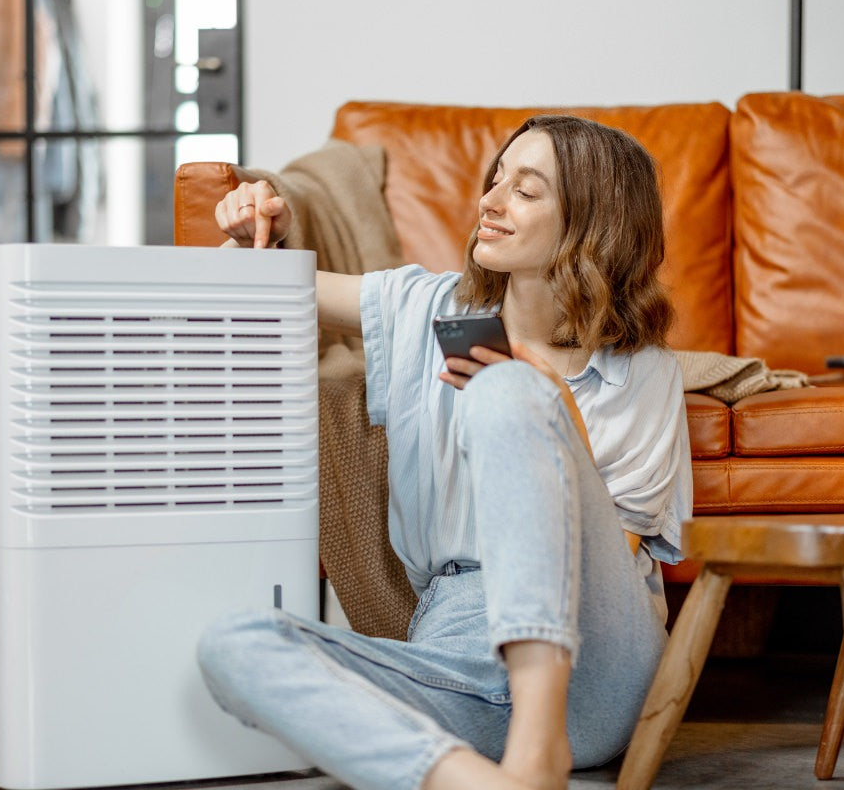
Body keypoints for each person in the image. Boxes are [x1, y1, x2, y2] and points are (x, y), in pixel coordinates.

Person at [197, 115, 692, 790]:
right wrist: (259, 232)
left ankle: (537, 748)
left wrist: (542, 395)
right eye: (496, 180)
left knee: (506, 391)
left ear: (593, 221)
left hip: (595, 667)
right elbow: (243, 292)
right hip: (454, 655)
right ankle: (480, 784)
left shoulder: (645, 372)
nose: (489, 201)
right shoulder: (420, 307)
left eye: (526, 189)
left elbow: (612, 557)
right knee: (234, 646)